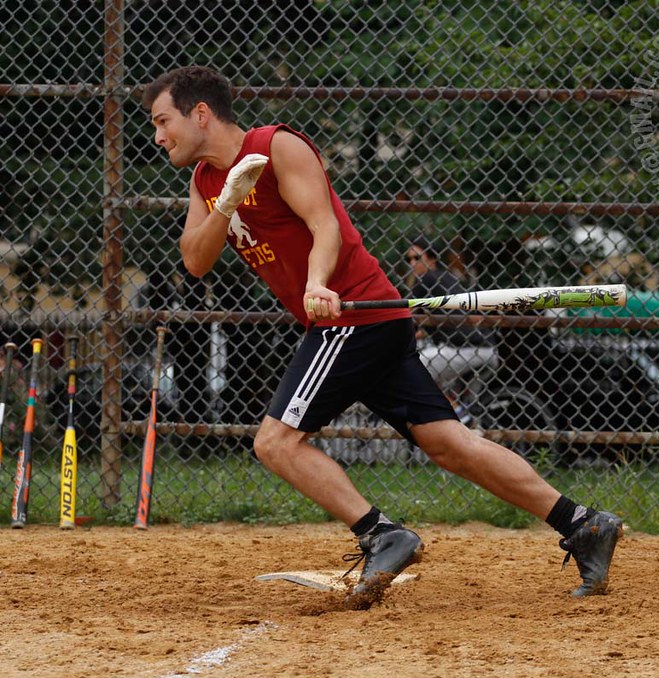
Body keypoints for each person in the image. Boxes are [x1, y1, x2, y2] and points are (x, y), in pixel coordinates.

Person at [141, 65, 622, 607]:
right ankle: (582, 523)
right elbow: (195, 259)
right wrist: (226, 201)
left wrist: (318, 282)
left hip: (352, 314)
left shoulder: (277, 147)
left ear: (200, 113)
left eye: (164, 121)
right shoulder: (207, 179)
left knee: (275, 443)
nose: (159, 136)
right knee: (449, 443)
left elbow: (325, 225)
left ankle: (380, 534)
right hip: (360, 324)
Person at [405, 235, 497, 393]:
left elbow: (406, 317)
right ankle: (460, 413)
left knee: (411, 371)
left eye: (417, 257)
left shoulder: (426, 279)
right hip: (489, 350)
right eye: (409, 260)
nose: (412, 263)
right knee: (465, 402)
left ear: (431, 258)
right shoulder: (448, 278)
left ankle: (439, 413)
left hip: (463, 349)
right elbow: (430, 327)